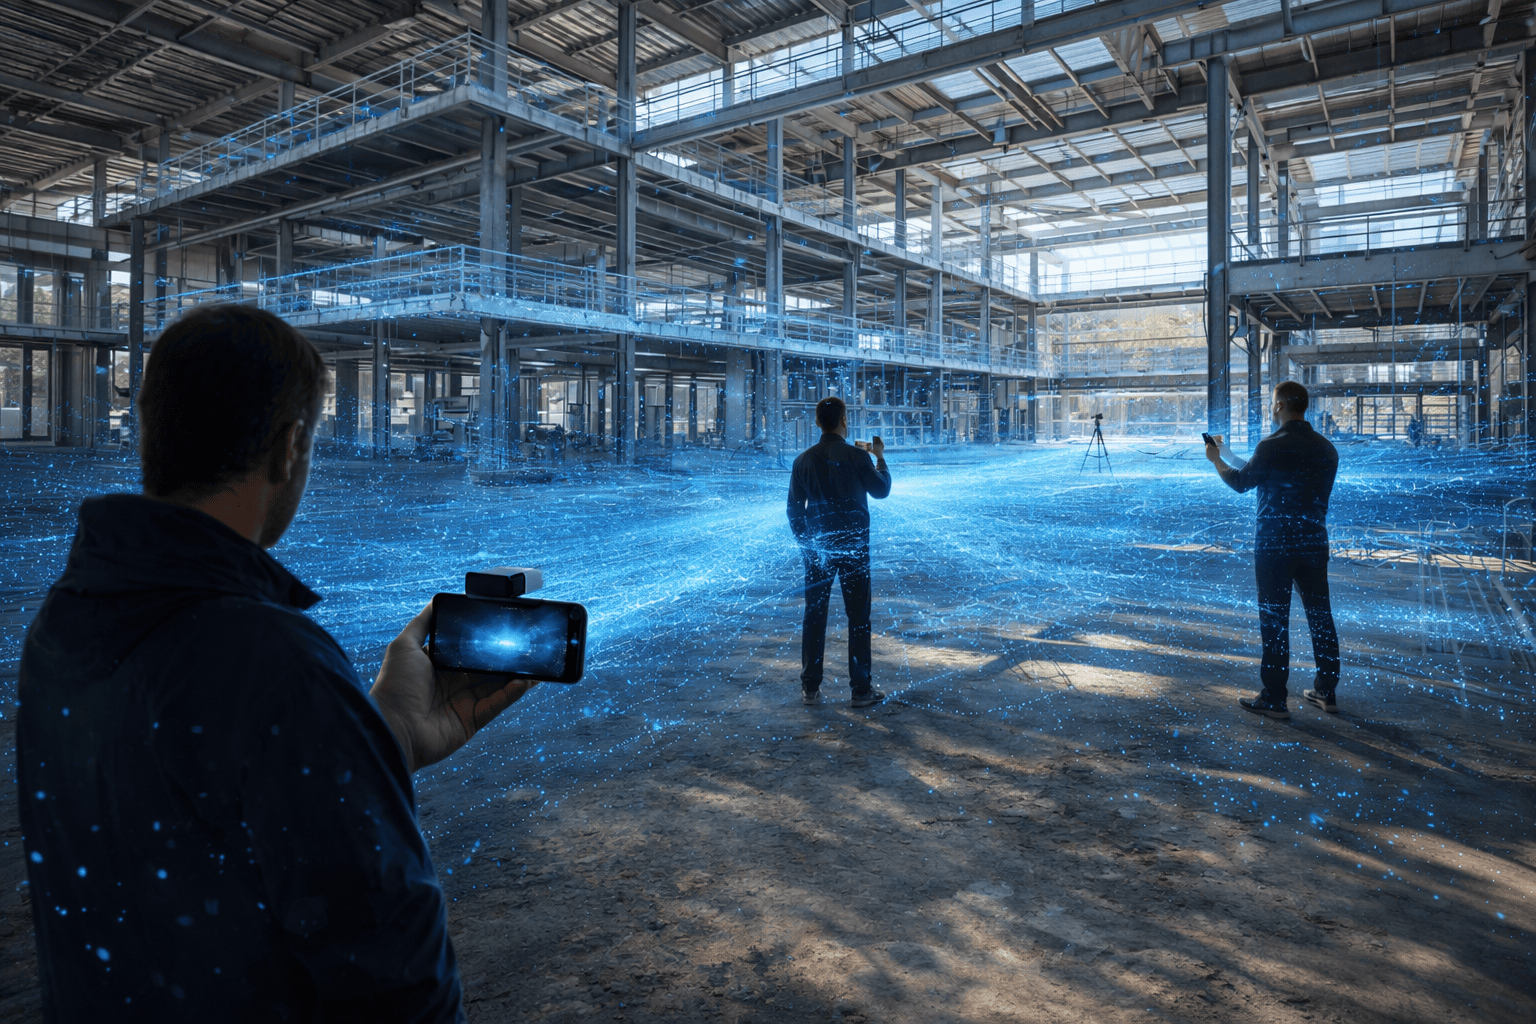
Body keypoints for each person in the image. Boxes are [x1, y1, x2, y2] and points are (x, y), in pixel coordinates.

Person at [18, 304, 537, 1021]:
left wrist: (381, 736)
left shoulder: (64, 623)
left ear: (150, 433)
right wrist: (338, 731)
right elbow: (392, 972)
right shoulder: (271, 661)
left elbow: (187, 821)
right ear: (290, 448)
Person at [1205, 380, 1341, 719]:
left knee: (1275, 620)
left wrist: (1214, 461)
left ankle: (1275, 697)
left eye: (1272, 402)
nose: (1270, 407)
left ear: (1279, 405)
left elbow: (1240, 482)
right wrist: (1227, 453)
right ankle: (1326, 689)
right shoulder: (1327, 449)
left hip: (1275, 547)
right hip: (1313, 542)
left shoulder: (1271, 446)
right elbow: (1258, 470)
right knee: (1320, 616)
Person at [787, 396, 892, 708]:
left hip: (818, 550)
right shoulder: (857, 458)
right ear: (845, 422)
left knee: (814, 616)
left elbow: (794, 512)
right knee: (858, 617)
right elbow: (881, 490)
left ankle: (810, 688)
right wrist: (880, 458)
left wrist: (808, 545)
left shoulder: (802, 461)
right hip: (854, 550)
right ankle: (861, 690)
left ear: (818, 423)